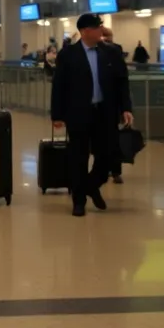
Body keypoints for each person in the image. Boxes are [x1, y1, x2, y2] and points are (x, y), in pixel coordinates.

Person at [51, 14, 134, 217]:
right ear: (85, 31)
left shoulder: (111, 52)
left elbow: (122, 81)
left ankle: (91, 185)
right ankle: (79, 201)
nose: (101, 31)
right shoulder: (68, 55)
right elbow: (59, 85)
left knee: (107, 156)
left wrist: (126, 108)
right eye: (97, 28)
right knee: (78, 157)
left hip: (105, 113)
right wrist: (57, 114)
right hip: (78, 113)